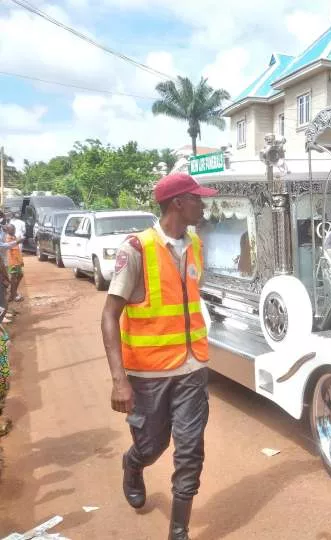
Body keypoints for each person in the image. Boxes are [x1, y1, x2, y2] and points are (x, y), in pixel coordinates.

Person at [100, 172, 218, 540]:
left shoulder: (195, 244)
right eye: (197, 198)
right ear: (177, 203)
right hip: (148, 374)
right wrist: (119, 379)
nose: (204, 204)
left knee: (190, 450)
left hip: (192, 367)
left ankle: (178, 532)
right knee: (152, 445)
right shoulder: (136, 249)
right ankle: (133, 464)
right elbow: (108, 316)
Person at [5, 225, 24, 303]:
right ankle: (13, 295)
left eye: (14, 229)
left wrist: (20, 261)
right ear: (8, 230)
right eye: (12, 229)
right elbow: (10, 248)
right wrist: (18, 241)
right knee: (13, 278)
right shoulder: (7, 238)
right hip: (12, 262)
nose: (14, 231)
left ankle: (13, 293)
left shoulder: (14, 237)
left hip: (17, 261)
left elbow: (17, 250)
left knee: (20, 275)